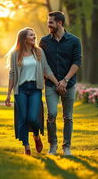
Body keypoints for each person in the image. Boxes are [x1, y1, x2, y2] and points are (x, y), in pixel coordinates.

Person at [5, 27, 59, 155]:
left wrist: (57, 83)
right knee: (22, 118)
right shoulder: (15, 54)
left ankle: (36, 136)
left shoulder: (39, 52)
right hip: (21, 90)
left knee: (33, 118)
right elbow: (12, 74)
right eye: (31, 35)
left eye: (34, 35)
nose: (34, 37)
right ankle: (26, 146)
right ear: (24, 39)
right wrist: (8, 94)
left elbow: (46, 69)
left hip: (35, 89)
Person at [39, 11, 82, 156]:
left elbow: (77, 62)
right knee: (51, 114)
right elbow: (42, 64)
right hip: (51, 84)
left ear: (60, 23)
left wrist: (65, 81)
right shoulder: (44, 41)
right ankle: (53, 146)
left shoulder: (74, 41)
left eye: (51, 22)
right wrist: (57, 82)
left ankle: (66, 147)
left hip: (69, 84)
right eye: (48, 22)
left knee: (68, 117)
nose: (48, 24)